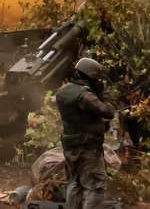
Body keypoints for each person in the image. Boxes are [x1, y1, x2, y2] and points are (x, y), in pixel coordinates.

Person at [55, 57, 116, 209]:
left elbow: (81, 118)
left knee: (75, 184)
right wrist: (103, 96)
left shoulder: (63, 92)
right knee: (96, 187)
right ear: (90, 76)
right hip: (87, 148)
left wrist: (98, 126)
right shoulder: (86, 96)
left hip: (71, 147)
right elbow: (108, 112)